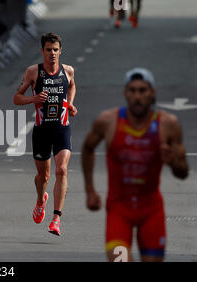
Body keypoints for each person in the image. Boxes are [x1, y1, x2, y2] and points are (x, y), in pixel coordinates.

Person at [81, 68, 189, 261]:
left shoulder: (168, 125)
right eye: (132, 90)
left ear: (152, 93)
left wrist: (173, 161)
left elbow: (182, 173)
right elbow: (88, 148)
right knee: (119, 259)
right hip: (119, 210)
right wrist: (90, 190)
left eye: (143, 90)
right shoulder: (108, 121)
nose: (137, 96)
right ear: (125, 93)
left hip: (151, 210)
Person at [13, 32, 77, 236]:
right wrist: (34, 99)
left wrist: (71, 103)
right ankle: (41, 200)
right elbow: (16, 98)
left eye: (55, 50)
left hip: (61, 128)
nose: (52, 53)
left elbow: (72, 86)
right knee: (44, 175)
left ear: (60, 51)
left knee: (62, 170)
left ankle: (56, 218)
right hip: (41, 131)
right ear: (42, 51)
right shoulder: (33, 72)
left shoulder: (68, 71)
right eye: (48, 50)